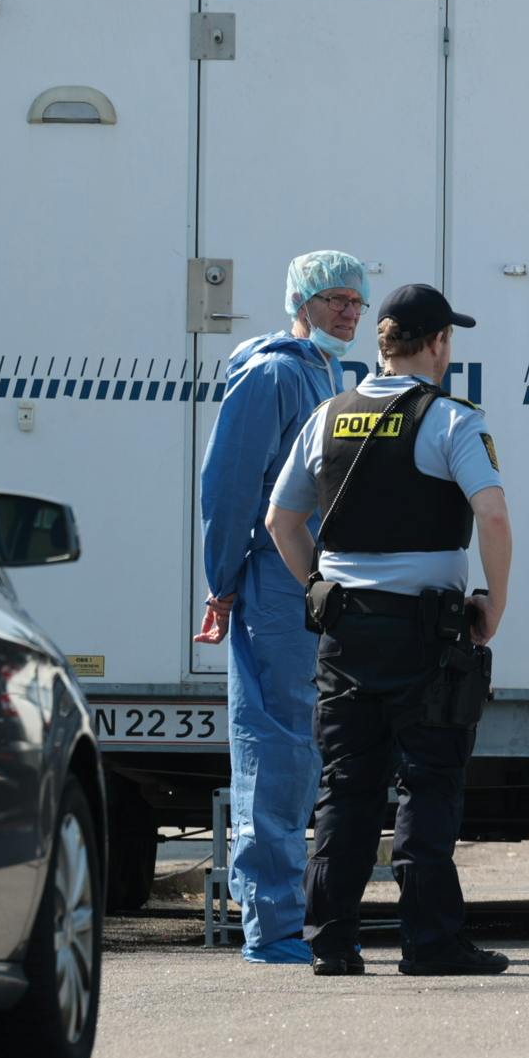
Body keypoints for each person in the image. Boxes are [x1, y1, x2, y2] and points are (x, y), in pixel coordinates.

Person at [265, 284, 514, 978]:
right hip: (425, 636)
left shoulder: (327, 417)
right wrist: (493, 603)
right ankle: (430, 942)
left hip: (346, 635)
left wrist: (318, 587)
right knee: (428, 783)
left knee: (347, 787)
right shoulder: (451, 420)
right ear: (437, 343)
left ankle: (330, 940)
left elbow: (281, 521)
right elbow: (492, 515)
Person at [191, 250, 367, 963]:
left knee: (302, 745)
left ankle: (287, 914)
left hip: (313, 579)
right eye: (335, 300)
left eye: (357, 301)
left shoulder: (327, 374)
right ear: (301, 302)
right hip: (273, 580)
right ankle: (271, 924)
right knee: (276, 744)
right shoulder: (272, 375)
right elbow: (230, 486)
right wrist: (222, 581)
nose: (349, 312)